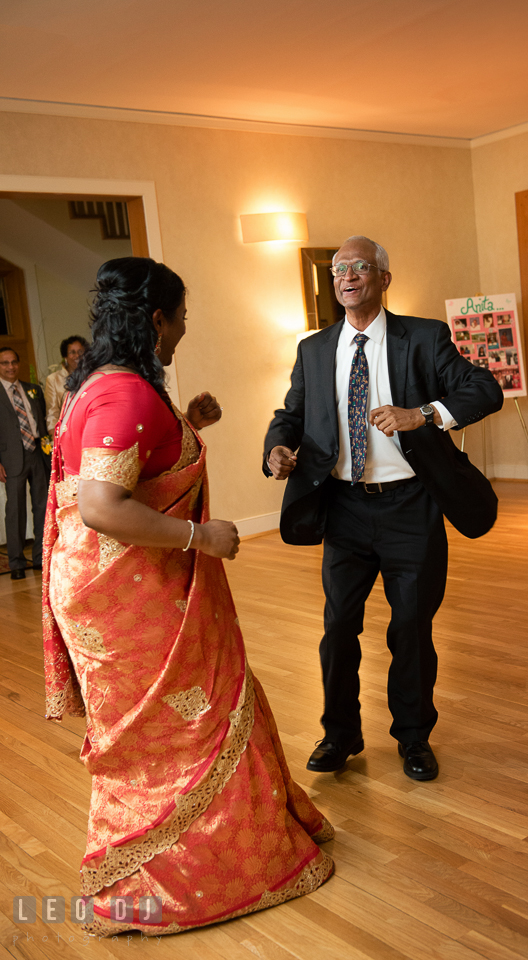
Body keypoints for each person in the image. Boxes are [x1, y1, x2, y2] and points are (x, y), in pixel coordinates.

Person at [43, 257, 333, 938]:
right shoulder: (124, 396)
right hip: (131, 600)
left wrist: (188, 423)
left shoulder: (99, 385)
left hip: (106, 591)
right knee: (183, 729)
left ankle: (161, 863)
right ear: (153, 320)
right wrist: (201, 535)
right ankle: (186, 879)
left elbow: (137, 468)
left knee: (182, 721)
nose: (180, 333)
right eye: (179, 319)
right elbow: (102, 506)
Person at [263, 236, 503, 782]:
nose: (347, 276)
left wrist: (425, 413)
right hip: (344, 509)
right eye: (338, 269)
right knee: (338, 628)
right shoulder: (314, 348)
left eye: (360, 267)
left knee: (411, 629)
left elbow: (484, 389)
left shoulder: (423, 337)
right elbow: (292, 413)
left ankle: (414, 738)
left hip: (410, 508)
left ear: (383, 278)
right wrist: (275, 448)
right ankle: (340, 733)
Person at [0, 347, 49, 579]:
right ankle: (17, 562)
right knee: (15, 511)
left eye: (13, 362)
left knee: (42, 508)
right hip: (11, 458)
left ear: (19, 364)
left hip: (37, 455)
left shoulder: (33, 390)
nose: (10, 367)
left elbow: (43, 423)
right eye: (4, 363)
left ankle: (40, 558)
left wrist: (48, 455)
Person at [44, 335, 87, 431]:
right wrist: (56, 438)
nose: (77, 355)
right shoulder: (53, 379)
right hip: (67, 431)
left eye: (80, 352)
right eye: (72, 352)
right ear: (65, 356)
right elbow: (52, 414)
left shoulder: (91, 376)